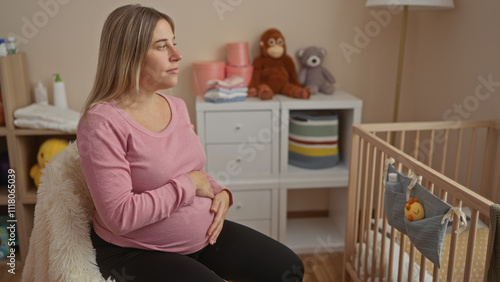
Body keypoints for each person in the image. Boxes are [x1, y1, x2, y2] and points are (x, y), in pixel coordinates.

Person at [77, 4, 304, 281]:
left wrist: (221, 192)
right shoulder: (101, 122)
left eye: (174, 43)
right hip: (134, 251)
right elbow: (120, 217)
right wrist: (189, 185)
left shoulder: (177, 106)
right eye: (162, 47)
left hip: (202, 236)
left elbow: (193, 170)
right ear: (129, 55)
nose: (177, 55)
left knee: (286, 268)